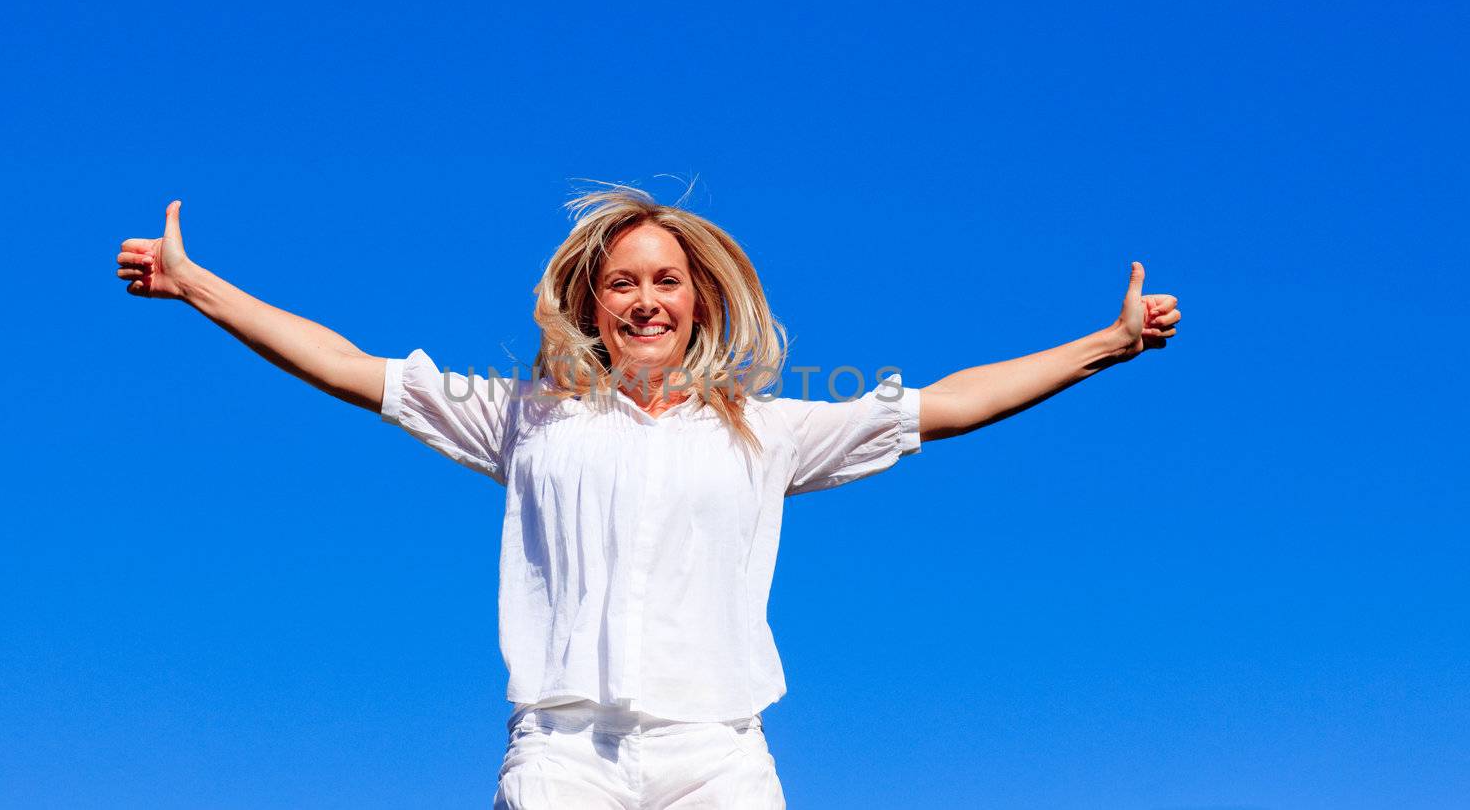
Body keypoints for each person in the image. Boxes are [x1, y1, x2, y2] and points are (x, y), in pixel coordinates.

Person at [114, 187, 1180, 808]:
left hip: (718, 756)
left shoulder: (768, 428)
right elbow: (349, 366)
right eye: (622, 281)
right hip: (564, 757)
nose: (645, 297)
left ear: (698, 300)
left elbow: (944, 405)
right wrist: (195, 283)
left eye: (665, 280)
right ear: (591, 303)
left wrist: (1109, 342)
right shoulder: (525, 415)